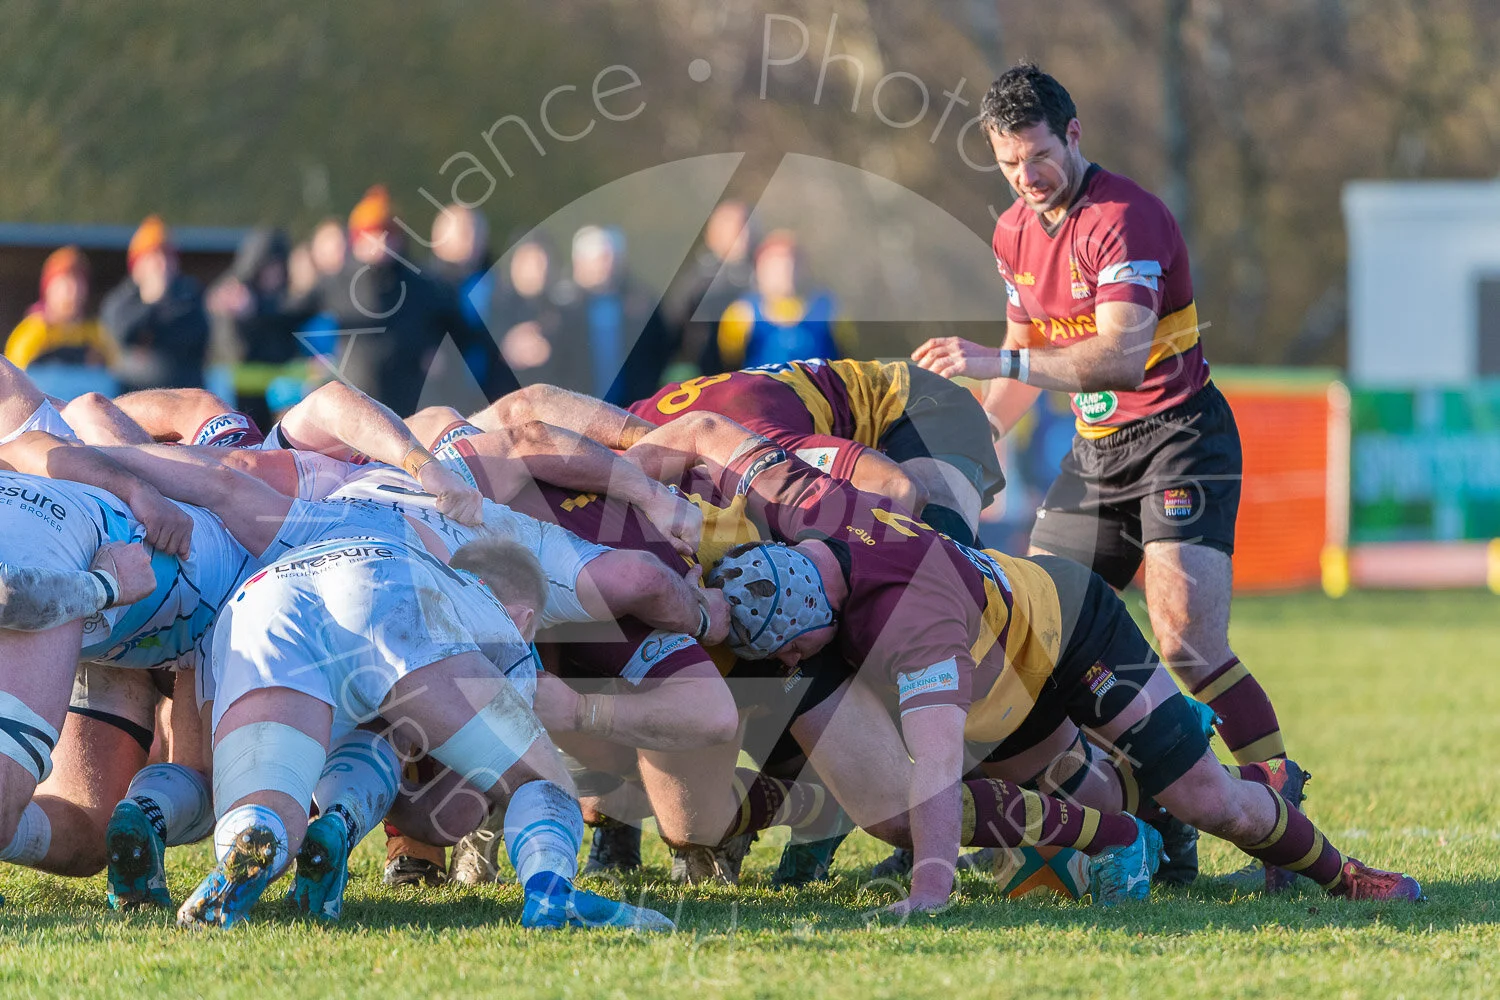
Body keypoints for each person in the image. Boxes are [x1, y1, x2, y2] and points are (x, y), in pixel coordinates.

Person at [626, 411, 1426, 911]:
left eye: (794, 650)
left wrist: (930, 888)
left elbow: (936, 769)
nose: (797, 661)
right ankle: (1146, 815)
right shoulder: (811, 522)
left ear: (809, 622)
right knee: (1097, 798)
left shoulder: (913, 623)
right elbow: (709, 437)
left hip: (1075, 629)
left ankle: (1341, 873)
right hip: (1002, 667)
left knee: (1212, 798)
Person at [911, 64, 1286, 886]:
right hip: (1096, 455)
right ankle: (1148, 826)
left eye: (1037, 156)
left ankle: (1280, 806)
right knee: (1039, 641)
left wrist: (996, 356)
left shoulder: (1125, 218)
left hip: (1179, 434)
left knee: (1188, 644)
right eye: (1009, 164)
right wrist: (967, 452)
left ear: (1073, 135)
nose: (1025, 177)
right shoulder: (1013, 231)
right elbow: (1018, 366)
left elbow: (1117, 353)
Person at [549, 226, 675, 406]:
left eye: (609, 257)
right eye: (598, 259)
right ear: (578, 262)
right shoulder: (558, 308)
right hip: (576, 412)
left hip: (633, 410)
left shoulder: (642, 303)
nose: (604, 265)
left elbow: (662, 350)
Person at [205, 228, 315, 429]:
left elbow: (292, 321)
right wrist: (243, 317)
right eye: (268, 266)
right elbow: (229, 348)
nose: (274, 273)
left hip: (283, 400)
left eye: (279, 265)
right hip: (240, 399)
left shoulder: (289, 300)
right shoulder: (232, 294)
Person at [101, 216, 212, 391]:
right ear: (137, 264)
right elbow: (122, 333)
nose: (162, 264)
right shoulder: (122, 299)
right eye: (153, 257)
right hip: (135, 395)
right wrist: (151, 303)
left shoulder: (190, 293)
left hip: (185, 395)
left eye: (168, 256)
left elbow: (196, 333)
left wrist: (153, 330)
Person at [716, 231, 855, 370]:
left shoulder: (831, 310)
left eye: (794, 264)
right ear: (760, 269)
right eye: (776, 266)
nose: (786, 272)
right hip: (760, 391)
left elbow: (848, 358)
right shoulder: (741, 313)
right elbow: (728, 366)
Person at [5, 246, 120, 400]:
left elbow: (113, 375)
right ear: (48, 289)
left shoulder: (96, 332)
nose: (73, 291)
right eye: (64, 284)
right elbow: (14, 384)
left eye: (78, 283)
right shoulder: (31, 331)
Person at [666, 200, 757, 376]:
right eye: (737, 229)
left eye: (747, 227)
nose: (745, 235)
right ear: (715, 234)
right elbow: (674, 327)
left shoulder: (761, 274)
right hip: (707, 376)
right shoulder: (696, 281)